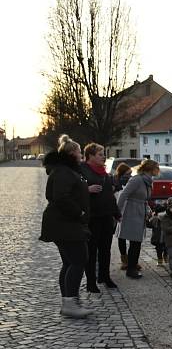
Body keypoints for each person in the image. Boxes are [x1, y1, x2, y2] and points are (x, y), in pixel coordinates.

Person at [39, 135, 92, 318]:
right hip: (65, 223)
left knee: (70, 262)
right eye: (79, 151)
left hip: (63, 223)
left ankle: (69, 300)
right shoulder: (63, 171)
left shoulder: (66, 170)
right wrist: (79, 213)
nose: (81, 154)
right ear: (71, 153)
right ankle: (70, 302)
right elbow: (61, 197)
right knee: (79, 260)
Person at [80, 143, 121, 293]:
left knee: (106, 249)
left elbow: (109, 196)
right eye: (100, 154)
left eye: (103, 153)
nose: (103, 156)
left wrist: (116, 213)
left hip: (106, 215)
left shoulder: (104, 172)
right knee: (91, 251)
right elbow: (74, 191)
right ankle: (91, 282)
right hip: (92, 217)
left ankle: (104, 276)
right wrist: (87, 189)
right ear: (90, 156)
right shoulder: (82, 170)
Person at [117, 159, 159, 279]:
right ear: (150, 169)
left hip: (140, 212)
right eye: (156, 168)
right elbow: (123, 195)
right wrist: (117, 212)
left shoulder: (148, 181)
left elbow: (144, 199)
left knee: (137, 242)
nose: (158, 170)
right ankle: (130, 269)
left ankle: (132, 266)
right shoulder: (137, 179)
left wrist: (149, 211)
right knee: (135, 242)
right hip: (131, 212)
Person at [114, 163, 134, 270]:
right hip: (121, 211)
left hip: (131, 210)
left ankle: (132, 260)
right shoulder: (116, 183)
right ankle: (124, 260)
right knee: (121, 236)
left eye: (130, 173)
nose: (129, 176)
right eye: (127, 174)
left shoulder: (132, 182)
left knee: (132, 237)